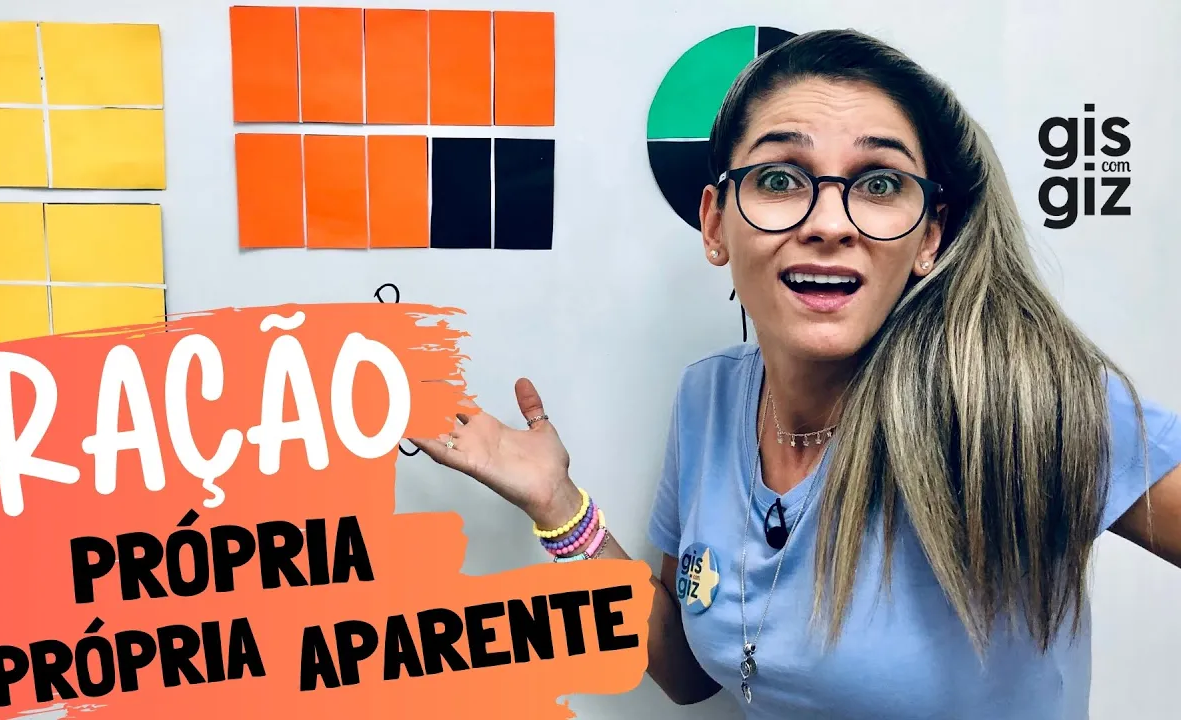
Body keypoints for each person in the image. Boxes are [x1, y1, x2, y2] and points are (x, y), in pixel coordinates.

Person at [410, 28, 1181, 718]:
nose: (829, 222)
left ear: (929, 237)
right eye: (780, 178)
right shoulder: (709, 398)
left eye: (879, 183)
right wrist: (559, 505)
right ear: (715, 223)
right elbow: (687, 674)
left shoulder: (1010, 401)